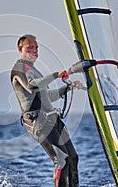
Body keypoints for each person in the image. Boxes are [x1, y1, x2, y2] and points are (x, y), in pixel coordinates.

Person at [10, 34, 82, 187]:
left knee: (73, 157)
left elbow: (46, 96)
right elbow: (32, 86)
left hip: (52, 119)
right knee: (61, 159)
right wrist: (56, 75)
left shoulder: (33, 70)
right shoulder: (19, 69)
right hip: (38, 122)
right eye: (30, 47)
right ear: (20, 49)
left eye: (36, 47)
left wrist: (66, 88)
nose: (35, 50)